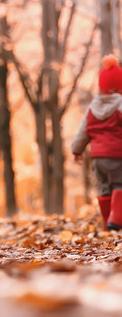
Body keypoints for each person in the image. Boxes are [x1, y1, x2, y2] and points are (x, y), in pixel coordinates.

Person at [72, 54, 122, 230]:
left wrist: (76, 150)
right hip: (117, 156)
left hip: (97, 158)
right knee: (120, 184)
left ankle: (107, 222)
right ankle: (116, 220)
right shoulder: (120, 105)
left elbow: (82, 131)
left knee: (104, 187)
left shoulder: (93, 107)